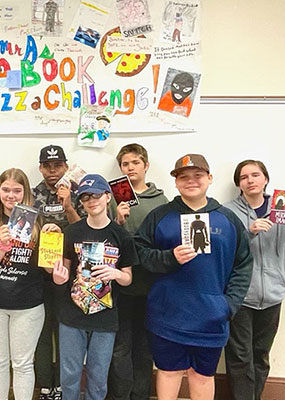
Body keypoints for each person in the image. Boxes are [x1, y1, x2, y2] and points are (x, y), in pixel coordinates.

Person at [134, 154, 253, 400]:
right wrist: (169, 258)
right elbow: (139, 253)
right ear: (176, 183)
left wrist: (228, 305)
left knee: (202, 376)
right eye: (183, 177)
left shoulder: (228, 219)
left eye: (197, 176)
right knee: (169, 373)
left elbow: (243, 264)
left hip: (211, 318)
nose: (191, 181)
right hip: (167, 316)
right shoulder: (159, 216)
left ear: (209, 178)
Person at [223, 160, 285, 400]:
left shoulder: (284, 208)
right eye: (244, 177)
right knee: (240, 356)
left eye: (255, 175)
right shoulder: (229, 212)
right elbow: (221, 251)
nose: (250, 180)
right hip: (241, 296)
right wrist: (249, 233)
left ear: (265, 179)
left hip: (273, 296)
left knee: (261, 354)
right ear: (238, 184)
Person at [0, 168, 60, 400]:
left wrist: (52, 238)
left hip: (29, 306)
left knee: (22, 364)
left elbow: (50, 269)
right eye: (5, 190)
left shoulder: (38, 220)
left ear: (26, 193)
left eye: (17, 190)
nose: (10, 195)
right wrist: (0, 248)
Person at [52, 174, 138, 400]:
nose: (91, 201)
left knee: (98, 375)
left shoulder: (121, 235)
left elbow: (128, 277)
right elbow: (64, 271)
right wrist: (58, 278)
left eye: (96, 195)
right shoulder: (72, 232)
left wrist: (117, 273)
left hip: (105, 315)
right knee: (69, 375)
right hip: (72, 312)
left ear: (107, 197)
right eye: (85, 197)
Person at [108, 144, 168, 400]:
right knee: (120, 346)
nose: (130, 168)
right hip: (120, 284)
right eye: (125, 164)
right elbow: (105, 238)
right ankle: (120, 395)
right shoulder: (113, 197)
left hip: (150, 285)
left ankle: (140, 395)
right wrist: (118, 221)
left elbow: (166, 241)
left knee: (144, 347)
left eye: (135, 162)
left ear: (146, 165)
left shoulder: (162, 201)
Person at [32, 145, 84, 400]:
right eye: (47, 166)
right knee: (42, 331)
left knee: (66, 332)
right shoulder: (31, 195)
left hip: (73, 276)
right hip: (40, 276)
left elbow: (86, 231)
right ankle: (45, 385)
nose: (52, 171)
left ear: (66, 166)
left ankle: (64, 385)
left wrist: (68, 206)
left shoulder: (80, 192)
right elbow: (24, 231)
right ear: (40, 167)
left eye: (58, 165)